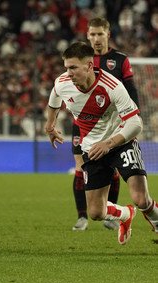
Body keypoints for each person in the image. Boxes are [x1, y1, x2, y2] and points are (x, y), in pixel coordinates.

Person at [45, 41, 158, 245]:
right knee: (96, 213)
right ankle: (125, 215)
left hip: (120, 141)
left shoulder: (112, 86)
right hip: (92, 148)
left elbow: (136, 123)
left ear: (89, 66)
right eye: (66, 68)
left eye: (73, 67)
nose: (68, 73)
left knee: (141, 198)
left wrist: (109, 143)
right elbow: (54, 98)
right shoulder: (62, 83)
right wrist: (50, 125)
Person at [71, 17, 140, 231]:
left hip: (112, 126)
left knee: (113, 171)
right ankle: (82, 216)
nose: (96, 38)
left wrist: (133, 120)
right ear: (87, 36)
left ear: (108, 34)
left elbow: (131, 91)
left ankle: (111, 213)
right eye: (92, 34)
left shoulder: (119, 60)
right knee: (80, 168)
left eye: (100, 34)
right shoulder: (81, 58)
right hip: (83, 125)